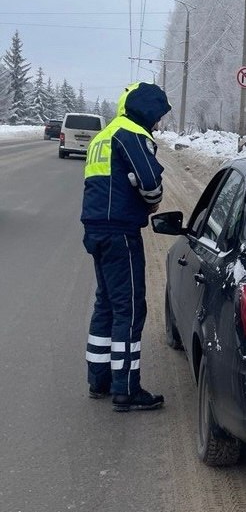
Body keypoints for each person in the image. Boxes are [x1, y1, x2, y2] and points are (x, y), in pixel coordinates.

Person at [81, 82, 171, 412]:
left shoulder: (104, 135)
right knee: (130, 307)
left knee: (106, 303)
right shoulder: (131, 133)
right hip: (120, 231)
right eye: (158, 115)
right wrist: (152, 203)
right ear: (146, 110)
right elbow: (149, 182)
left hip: (95, 229)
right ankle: (127, 388)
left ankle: (98, 379)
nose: (158, 123)